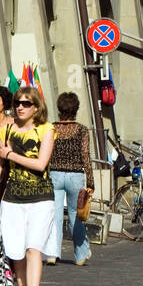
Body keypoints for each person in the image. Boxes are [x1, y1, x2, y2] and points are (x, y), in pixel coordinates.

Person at [0, 87, 56, 286]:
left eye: (26, 103)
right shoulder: (6, 130)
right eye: (17, 102)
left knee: (33, 248)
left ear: (36, 107)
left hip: (41, 197)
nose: (20, 107)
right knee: (16, 254)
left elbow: (40, 164)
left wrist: (11, 156)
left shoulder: (46, 130)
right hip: (12, 199)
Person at [50, 92, 95, 266]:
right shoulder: (82, 130)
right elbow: (85, 155)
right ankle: (81, 254)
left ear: (59, 109)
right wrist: (90, 181)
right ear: (76, 109)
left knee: (54, 215)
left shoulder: (51, 128)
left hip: (54, 174)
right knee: (76, 215)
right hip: (76, 176)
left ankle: (52, 253)